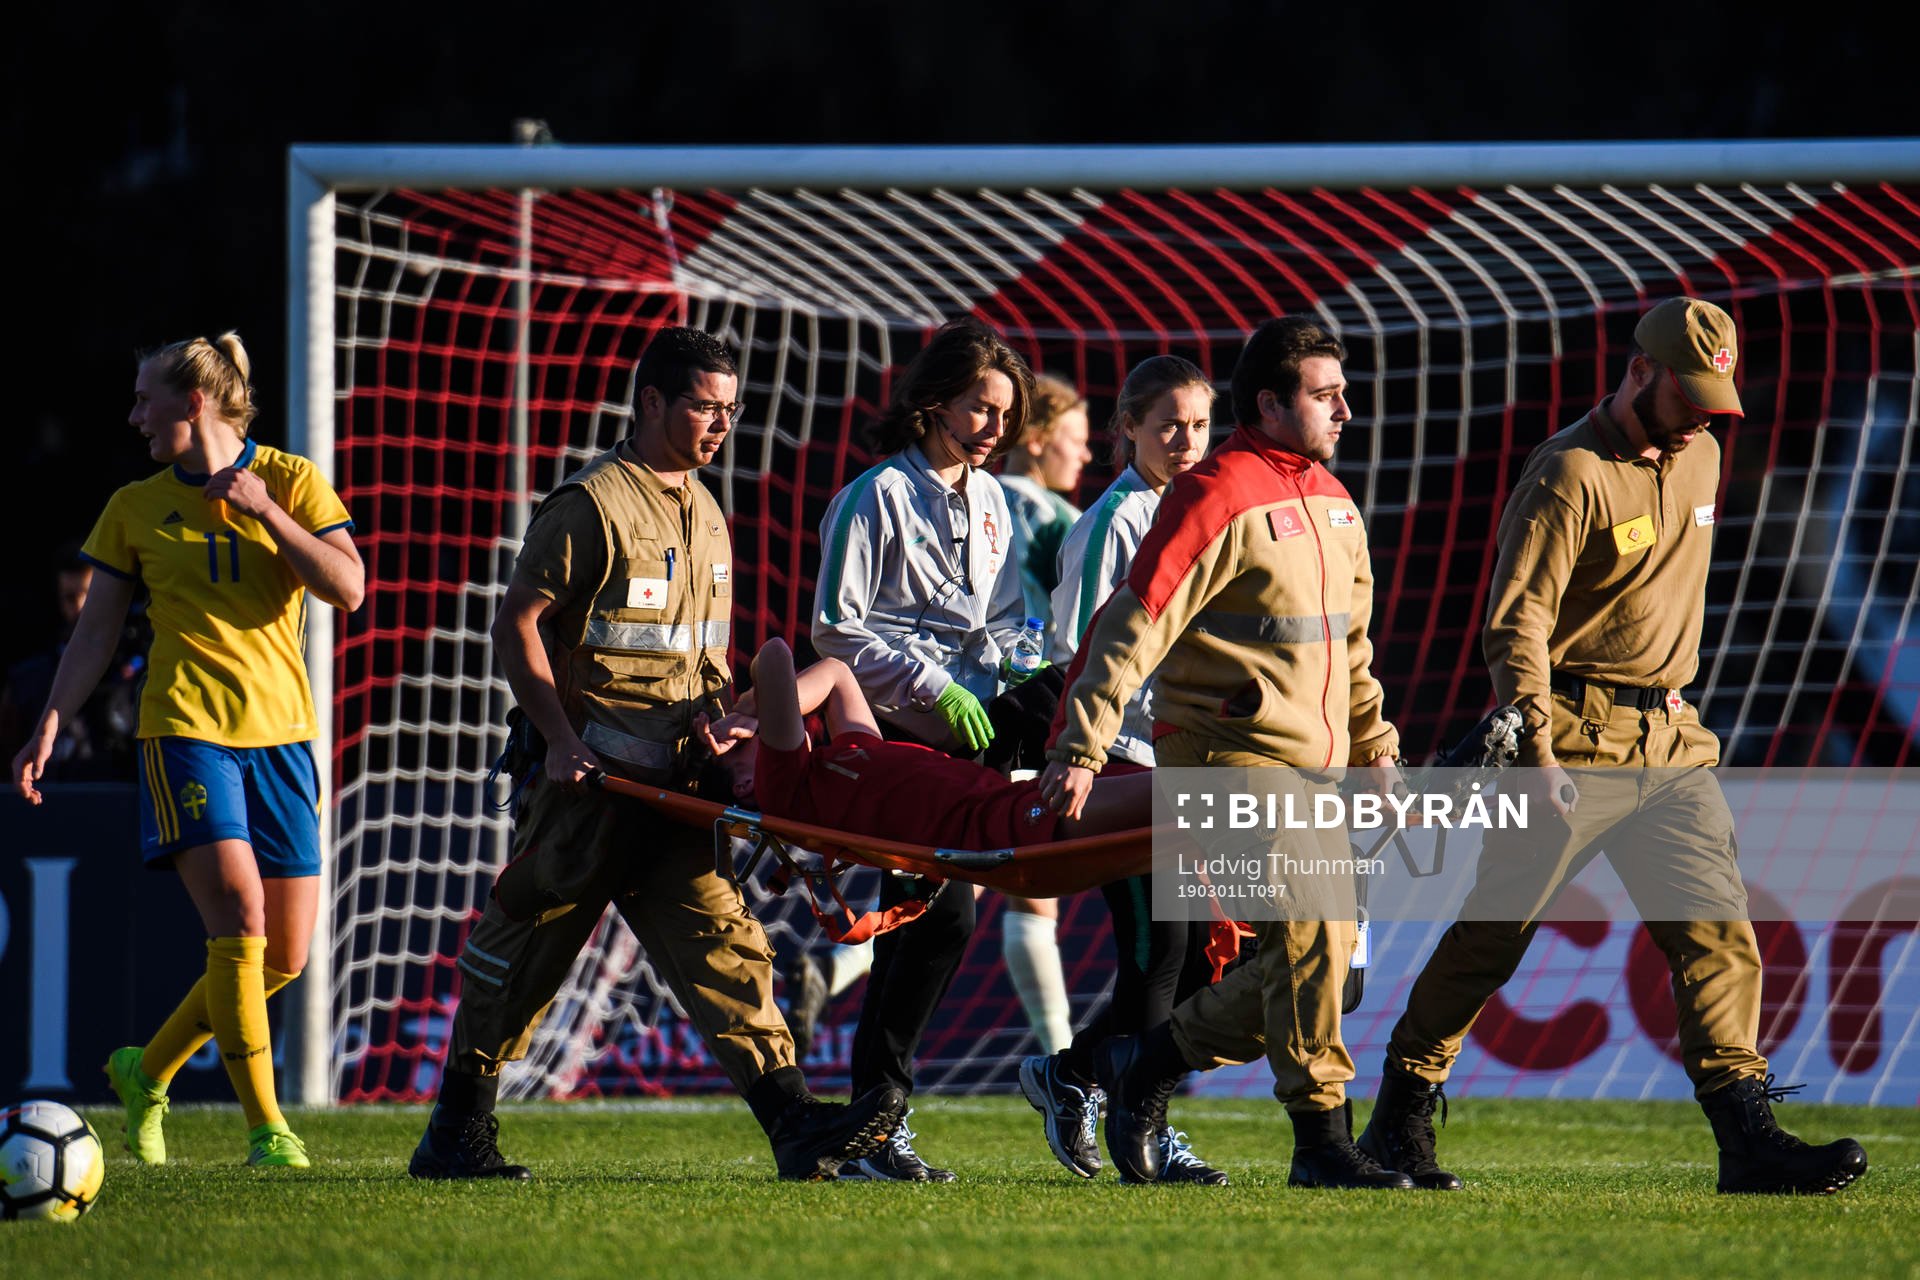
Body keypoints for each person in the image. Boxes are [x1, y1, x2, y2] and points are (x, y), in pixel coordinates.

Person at [1358, 297, 1868, 1195]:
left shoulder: (1704, 453)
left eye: (1716, 400)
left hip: (1672, 740)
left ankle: (1746, 1139)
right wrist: (1537, 753)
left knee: (1718, 932)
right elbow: (1517, 622)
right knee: (1495, 935)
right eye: (1691, 396)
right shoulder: (1568, 471)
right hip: (1569, 739)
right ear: (1640, 371)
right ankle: (1401, 1111)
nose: (1705, 417)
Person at [408, 327, 904, 1183]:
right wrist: (560, 742)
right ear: (650, 403)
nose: (721, 424)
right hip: (590, 793)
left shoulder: (707, 508)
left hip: (681, 792)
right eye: (704, 407)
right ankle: (456, 1131)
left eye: (730, 409)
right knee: (524, 956)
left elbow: (699, 652)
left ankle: (794, 1126)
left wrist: (730, 723)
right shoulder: (590, 504)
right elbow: (515, 623)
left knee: (727, 948)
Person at [1039, 316, 1415, 1190]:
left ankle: (1142, 1062)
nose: (1345, 411)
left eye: (1343, 395)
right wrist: (1081, 746)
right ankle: (1321, 1144)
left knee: (1325, 970)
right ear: (1271, 404)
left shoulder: (1334, 501)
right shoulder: (1216, 491)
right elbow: (1132, 623)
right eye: (1326, 396)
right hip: (1224, 761)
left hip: (1316, 770)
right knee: (1312, 936)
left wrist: (1377, 749)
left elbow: (1352, 651)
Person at [12, 331, 364, 1169]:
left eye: (146, 400)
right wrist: (52, 717)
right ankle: (269, 1131)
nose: (135, 417)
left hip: (282, 737)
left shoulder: (291, 479)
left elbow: (348, 587)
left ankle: (147, 1071)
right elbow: (96, 632)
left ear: (194, 401)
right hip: (184, 730)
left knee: (286, 956)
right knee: (239, 919)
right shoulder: (133, 507)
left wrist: (265, 511)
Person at [810, 316, 1033, 1180]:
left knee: (928, 927)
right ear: (934, 402)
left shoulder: (994, 500)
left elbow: (1005, 621)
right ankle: (877, 1122)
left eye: (1005, 414)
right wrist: (932, 684)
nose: (994, 428)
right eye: (980, 408)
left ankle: (875, 1122)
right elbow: (835, 630)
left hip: (976, 734)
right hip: (903, 736)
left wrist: (1026, 662)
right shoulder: (874, 496)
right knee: (937, 919)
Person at [1018, 355, 1225, 1184]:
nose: (1186, 440)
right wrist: (1089, 751)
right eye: (1168, 424)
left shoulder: (1206, 510)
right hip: (1121, 761)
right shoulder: (1114, 521)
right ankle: (1146, 1125)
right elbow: (1075, 649)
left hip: (1187, 762)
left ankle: (1071, 1074)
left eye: (1199, 425)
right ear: (1128, 428)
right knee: (1158, 948)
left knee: (1201, 957)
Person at [993, 372, 1093, 1064]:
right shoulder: (1060, 519)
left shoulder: (975, 499)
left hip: (972, 698)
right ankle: (1064, 1061)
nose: (1084, 455)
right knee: (1034, 892)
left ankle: (833, 971)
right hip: (1039, 705)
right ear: (1034, 440)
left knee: (951, 873)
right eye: (1074, 439)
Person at [0, 545, 141, 782]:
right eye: (69, 597)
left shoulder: (137, 674)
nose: (78, 607)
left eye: (88, 595)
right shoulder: (28, 680)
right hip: (52, 796)